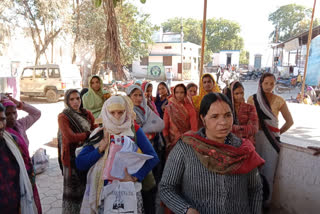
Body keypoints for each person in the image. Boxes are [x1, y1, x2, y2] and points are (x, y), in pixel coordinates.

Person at [159, 93, 264, 214]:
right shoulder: (186, 147)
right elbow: (166, 187)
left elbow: (255, 189)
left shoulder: (244, 150)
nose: (223, 122)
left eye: (227, 115)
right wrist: (186, 210)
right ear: (203, 119)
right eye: (215, 116)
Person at [75, 95, 159, 214]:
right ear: (106, 112)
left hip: (128, 190)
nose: (117, 116)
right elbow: (80, 163)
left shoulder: (133, 129)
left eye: (120, 112)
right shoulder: (100, 132)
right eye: (112, 112)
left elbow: (153, 157)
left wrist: (135, 176)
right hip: (104, 192)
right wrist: (100, 149)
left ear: (126, 111)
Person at [247, 73, 294, 205]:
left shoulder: (279, 100)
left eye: (272, 84)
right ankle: (252, 201)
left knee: (269, 171)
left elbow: (289, 122)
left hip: (271, 142)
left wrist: (276, 135)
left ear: (275, 84)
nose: (268, 86)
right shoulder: (252, 99)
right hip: (255, 139)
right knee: (253, 170)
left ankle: (265, 202)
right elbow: (247, 120)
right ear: (260, 84)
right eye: (266, 83)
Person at [58, 89, 98, 214]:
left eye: (78, 99)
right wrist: (88, 134)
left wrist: (92, 133)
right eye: (72, 99)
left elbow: (96, 129)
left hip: (86, 155)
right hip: (71, 157)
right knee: (73, 190)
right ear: (67, 101)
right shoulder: (63, 116)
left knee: (87, 185)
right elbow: (70, 137)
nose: (76, 102)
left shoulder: (87, 113)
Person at [126, 85, 165, 214]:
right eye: (134, 95)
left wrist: (143, 130)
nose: (138, 98)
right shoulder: (127, 112)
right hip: (135, 157)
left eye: (139, 95)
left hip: (151, 150)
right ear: (128, 97)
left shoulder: (145, 109)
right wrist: (147, 129)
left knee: (150, 189)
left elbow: (160, 124)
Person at [2, 97, 42, 213]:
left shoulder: (20, 125)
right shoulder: (2, 133)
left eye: (14, 112)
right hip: (12, 178)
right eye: (7, 113)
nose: (12, 117)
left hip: (27, 172)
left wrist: (19, 104)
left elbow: (37, 113)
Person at [163, 84, 198, 158]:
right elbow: (165, 126)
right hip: (172, 141)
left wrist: (191, 142)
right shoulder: (169, 107)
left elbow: (194, 128)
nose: (179, 95)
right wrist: (167, 142)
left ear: (185, 94)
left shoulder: (190, 107)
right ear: (174, 93)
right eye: (177, 92)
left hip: (187, 142)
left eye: (182, 93)